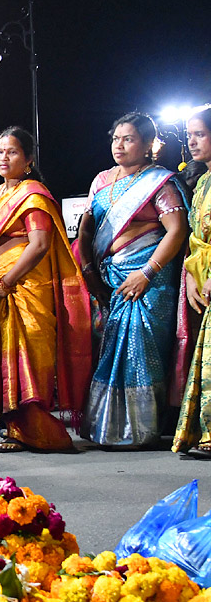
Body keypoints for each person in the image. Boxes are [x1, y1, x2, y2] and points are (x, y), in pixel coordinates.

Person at [0, 126, 91, 452]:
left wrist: (7, 281)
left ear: (28, 159)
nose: (4, 157)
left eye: (12, 152)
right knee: (4, 356)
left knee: (28, 355)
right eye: (0, 151)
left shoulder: (33, 195)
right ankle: (14, 426)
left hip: (25, 287)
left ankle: (34, 429)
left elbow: (39, 244)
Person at [76, 113, 188, 448]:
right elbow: (87, 230)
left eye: (129, 139)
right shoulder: (101, 180)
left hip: (148, 280)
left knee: (140, 347)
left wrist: (147, 272)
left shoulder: (160, 182)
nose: (119, 146)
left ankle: (142, 429)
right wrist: (90, 273)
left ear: (147, 144)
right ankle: (107, 428)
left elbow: (177, 230)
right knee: (108, 348)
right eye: (115, 139)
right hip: (110, 279)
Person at [174, 107, 211, 457]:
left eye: (199, 134)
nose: (192, 141)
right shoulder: (201, 184)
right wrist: (190, 279)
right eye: (189, 135)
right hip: (203, 279)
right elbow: (193, 239)